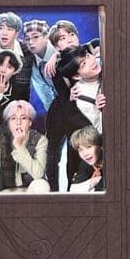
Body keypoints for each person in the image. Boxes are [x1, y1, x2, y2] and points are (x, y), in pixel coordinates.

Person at [48, 43, 106, 190]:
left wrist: (56, 55)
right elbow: (99, 131)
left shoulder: (102, 61)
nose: (91, 62)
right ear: (77, 76)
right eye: (83, 64)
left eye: (88, 56)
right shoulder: (80, 96)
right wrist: (101, 111)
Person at [0, 100, 49, 194]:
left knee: (42, 185)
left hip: (31, 192)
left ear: (30, 122)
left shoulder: (40, 140)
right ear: (8, 123)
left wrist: (19, 147)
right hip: (6, 193)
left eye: (23, 118)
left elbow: (38, 174)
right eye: (13, 118)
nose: (18, 122)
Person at [0, 11, 32, 101]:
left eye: (9, 29)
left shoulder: (28, 50)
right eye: (1, 28)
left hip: (22, 103)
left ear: (16, 33)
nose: (4, 33)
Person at [0, 49, 23, 149]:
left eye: (9, 67)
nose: (3, 70)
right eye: (0, 64)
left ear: (14, 71)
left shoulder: (15, 94)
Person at [23, 18, 57, 115]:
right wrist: (53, 115)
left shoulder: (59, 50)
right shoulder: (33, 62)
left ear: (46, 37)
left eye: (35, 37)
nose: (30, 42)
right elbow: (45, 95)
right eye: (27, 39)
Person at [68, 126, 105, 192]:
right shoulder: (85, 164)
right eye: (80, 150)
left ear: (100, 145)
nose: (85, 154)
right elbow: (73, 190)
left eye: (89, 147)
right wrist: (92, 182)